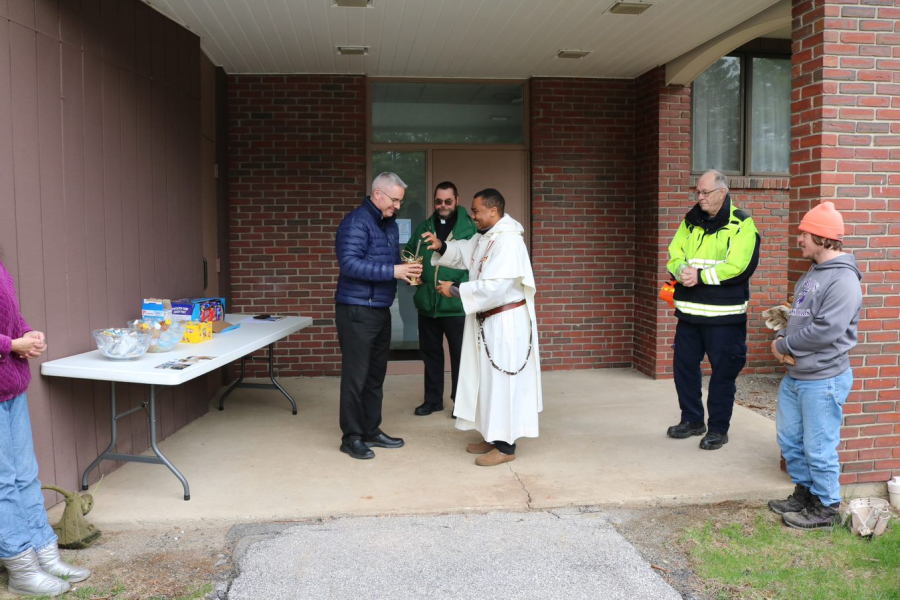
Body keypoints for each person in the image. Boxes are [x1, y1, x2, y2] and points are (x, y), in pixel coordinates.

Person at [422, 188, 542, 466]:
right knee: (488, 383)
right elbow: (466, 252)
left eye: (476, 211)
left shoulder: (509, 241)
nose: (472, 215)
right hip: (489, 321)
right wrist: (441, 246)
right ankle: (493, 435)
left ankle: (506, 446)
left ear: (493, 211)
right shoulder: (488, 237)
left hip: (505, 323)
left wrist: (455, 289)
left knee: (503, 383)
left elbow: (497, 288)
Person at [767, 202, 862, 529]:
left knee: (819, 446)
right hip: (798, 376)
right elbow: (799, 317)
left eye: (804, 233)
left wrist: (783, 345)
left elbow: (827, 331)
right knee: (791, 440)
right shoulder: (813, 273)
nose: (799, 239)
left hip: (823, 379)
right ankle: (804, 494)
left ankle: (826, 507)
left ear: (823, 237)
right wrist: (782, 333)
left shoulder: (843, 280)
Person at [0, 255, 91, 596]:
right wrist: (11, 345)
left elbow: (10, 315)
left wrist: (27, 333)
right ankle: (21, 568)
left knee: (25, 474)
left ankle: (44, 552)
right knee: (2, 483)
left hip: (10, 386)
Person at [665, 170, 761, 450]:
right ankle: (692, 420)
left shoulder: (742, 224)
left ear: (722, 192)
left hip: (724, 318)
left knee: (723, 374)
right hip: (689, 315)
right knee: (684, 368)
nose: (700, 197)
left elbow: (740, 266)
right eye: (698, 192)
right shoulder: (690, 221)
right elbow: (674, 254)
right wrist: (681, 269)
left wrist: (701, 275)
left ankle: (718, 429)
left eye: (705, 192)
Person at [334, 172, 423, 460]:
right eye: (394, 200)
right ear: (377, 194)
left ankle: (372, 429)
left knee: (374, 377)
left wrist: (404, 272)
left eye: (400, 201)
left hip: (380, 308)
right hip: (357, 310)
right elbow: (349, 264)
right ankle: (351, 437)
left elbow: (388, 263)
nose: (398, 206)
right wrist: (393, 271)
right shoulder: (356, 222)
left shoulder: (389, 225)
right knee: (355, 377)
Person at [404, 182, 477, 416]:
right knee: (431, 354)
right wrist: (412, 271)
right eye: (438, 201)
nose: (442, 206)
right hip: (428, 303)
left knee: (460, 358)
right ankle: (433, 400)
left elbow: (476, 264)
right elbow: (409, 252)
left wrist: (458, 286)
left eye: (447, 201)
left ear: (457, 199)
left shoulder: (470, 227)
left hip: (456, 303)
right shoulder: (425, 226)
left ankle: (460, 402)